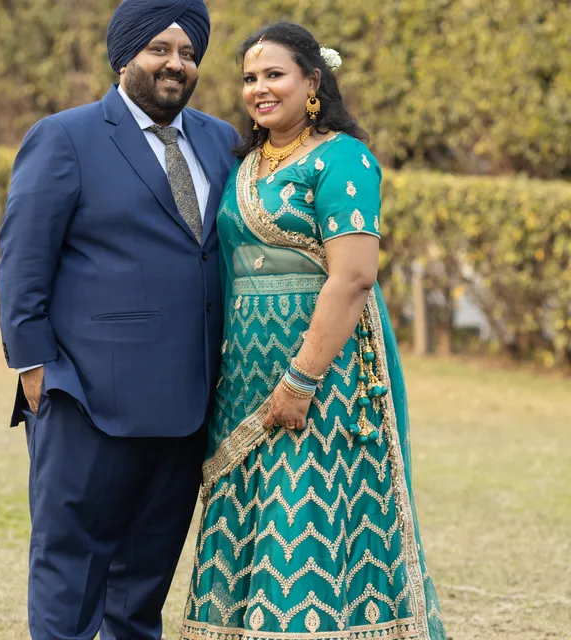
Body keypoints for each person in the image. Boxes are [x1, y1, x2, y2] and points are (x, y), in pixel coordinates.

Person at [181, 22, 447, 640]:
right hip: (245, 375)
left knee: (306, 522)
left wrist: (301, 380)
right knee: (250, 520)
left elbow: (353, 277)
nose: (259, 88)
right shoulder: (245, 163)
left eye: (274, 74)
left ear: (313, 82)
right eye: (250, 78)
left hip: (324, 380)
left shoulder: (342, 158)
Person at [0, 0, 239, 637]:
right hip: (85, 399)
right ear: (125, 55)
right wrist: (34, 365)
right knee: (70, 573)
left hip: (187, 406)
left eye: (188, 53)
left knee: (141, 589)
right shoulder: (65, 136)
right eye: (160, 49)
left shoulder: (221, 141)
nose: (175, 64)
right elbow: (24, 257)